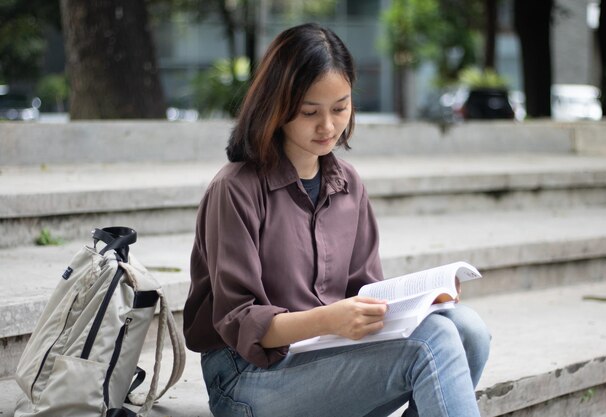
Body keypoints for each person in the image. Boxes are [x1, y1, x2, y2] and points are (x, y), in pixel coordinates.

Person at [183, 22, 491, 417]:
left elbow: (365, 290)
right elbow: (240, 321)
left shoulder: (348, 184)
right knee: (433, 343)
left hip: (326, 355)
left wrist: (419, 303)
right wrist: (329, 319)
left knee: (467, 331)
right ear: (277, 107)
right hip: (246, 377)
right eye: (309, 112)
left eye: (340, 108)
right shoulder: (235, 190)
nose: (327, 126)